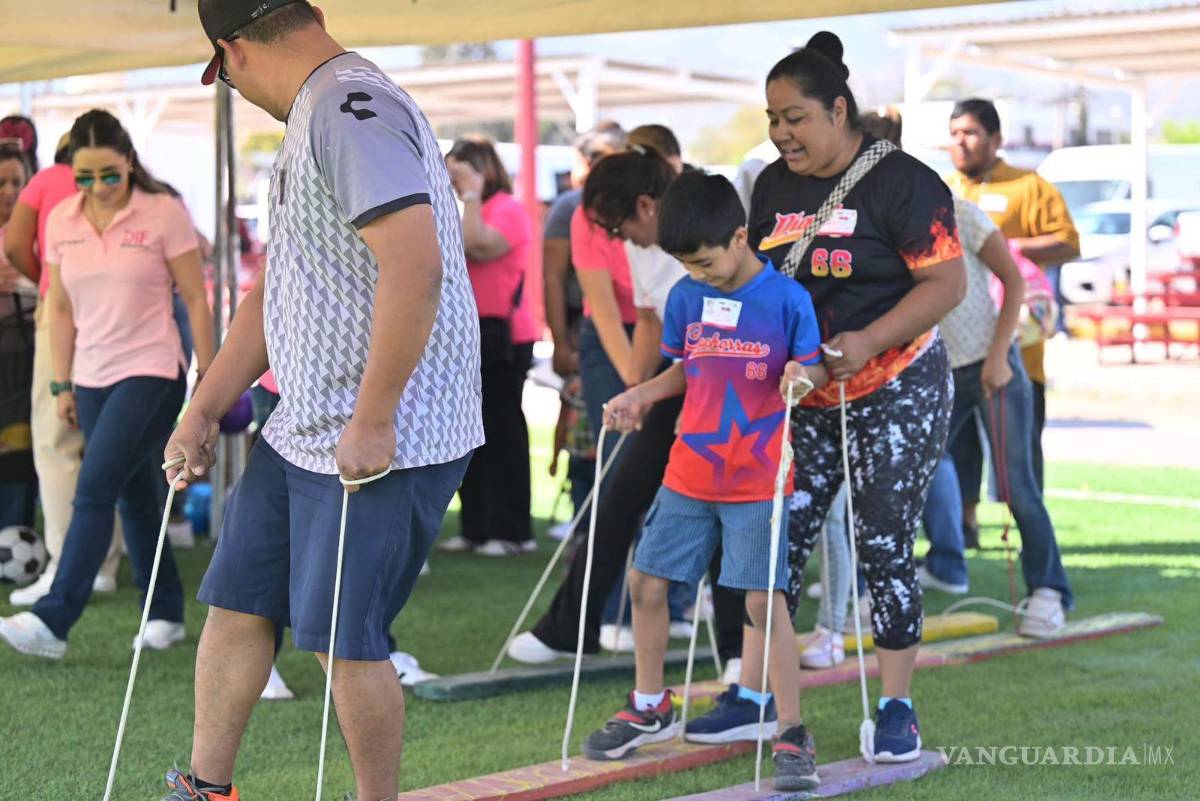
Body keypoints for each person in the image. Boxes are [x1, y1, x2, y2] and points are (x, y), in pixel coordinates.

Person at [156, 2, 482, 800]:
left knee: (345, 640)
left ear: (231, 52)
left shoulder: (345, 106)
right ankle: (207, 787)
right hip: (303, 422)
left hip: (382, 435)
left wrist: (374, 419)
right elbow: (279, 292)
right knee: (236, 602)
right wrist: (203, 408)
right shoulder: (319, 108)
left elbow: (416, 266)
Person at [739, 32, 966, 762]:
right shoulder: (772, 185)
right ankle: (767, 706)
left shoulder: (906, 182)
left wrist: (867, 342)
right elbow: (764, 280)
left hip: (894, 388)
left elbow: (947, 284)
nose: (780, 133)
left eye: (795, 117)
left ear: (840, 111)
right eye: (772, 117)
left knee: (882, 545)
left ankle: (896, 707)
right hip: (804, 398)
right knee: (772, 549)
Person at [582, 171, 827, 793]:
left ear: (741, 236)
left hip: (758, 475)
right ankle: (650, 704)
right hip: (690, 470)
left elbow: (814, 368)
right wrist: (640, 393)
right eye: (685, 264)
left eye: (704, 261)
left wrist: (805, 376)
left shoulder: (787, 300)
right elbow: (685, 368)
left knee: (761, 602)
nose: (697, 273)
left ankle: (792, 729)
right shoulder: (688, 297)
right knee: (646, 581)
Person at [507, 148, 746, 678]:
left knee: (719, 510)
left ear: (647, 205)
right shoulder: (644, 244)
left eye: (620, 228)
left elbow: (723, 333)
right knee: (616, 496)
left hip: (728, 384)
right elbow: (648, 318)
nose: (620, 241)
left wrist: (676, 398)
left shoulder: (701, 234)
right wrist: (637, 392)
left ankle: (737, 651)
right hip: (674, 375)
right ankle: (569, 630)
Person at [0, 109, 216, 658]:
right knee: (135, 494)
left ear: (129, 164)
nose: (98, 188)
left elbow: (195, 297)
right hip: (90, 377)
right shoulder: (62, 222)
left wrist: (209, 379)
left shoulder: (163, 212)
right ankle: (165, 611)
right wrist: (62, 385)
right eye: (85, 177)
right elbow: (63, 307)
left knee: (94, 486)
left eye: (110, 175)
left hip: (152, 370)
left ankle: (55, 618)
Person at [862, 109, 1074, 633]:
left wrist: (1001, 357)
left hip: (992, 368)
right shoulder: (883, 231)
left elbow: (1015, 284)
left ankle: (1048, 591)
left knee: (1017, 487)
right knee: (905, 483)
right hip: (932, 376)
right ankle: (891, 591)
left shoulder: (961, 213)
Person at [945, 98, 1080, 546]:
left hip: (1017, 350)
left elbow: (1068, 241)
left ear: (996, 139)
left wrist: (1004, 248)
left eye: (970, 133)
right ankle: (964, 527)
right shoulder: (945, 191)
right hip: (959, 348)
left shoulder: (1028, 186)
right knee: (958, 447)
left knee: (1019, 455)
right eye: (954, 133)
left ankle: (1030, 538)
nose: (960, 142)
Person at [5, 132, 126, 605]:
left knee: (56, 444)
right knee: (104, 442)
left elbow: (16, 246)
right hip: (114, 312)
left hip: (62, 312)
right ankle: (107, 563)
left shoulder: (47, 181)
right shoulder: (129, 187)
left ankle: (64, 563)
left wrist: (47, 281)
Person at [440, 135, 538, 556]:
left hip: (505, 335)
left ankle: (512, 530)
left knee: (502, 431)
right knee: (466, 433)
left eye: (457, 169)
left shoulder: (508, 210)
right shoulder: (458, 209)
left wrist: (473, 196)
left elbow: (476, 245)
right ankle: (477, 526)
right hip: (467, 332)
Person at [543, 123, 626, 532]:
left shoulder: (641, 201)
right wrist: (560, 340)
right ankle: (587, 526)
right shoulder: (571, 208)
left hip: (631, 326)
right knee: (588, 430)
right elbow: (554, 277)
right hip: (587, 328)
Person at [0, 144, 38, 530]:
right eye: (1, 183)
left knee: (19, 454)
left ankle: (14, 536)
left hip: (26, 364)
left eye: (17, 182)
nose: (10, 191)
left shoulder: (44, 231)